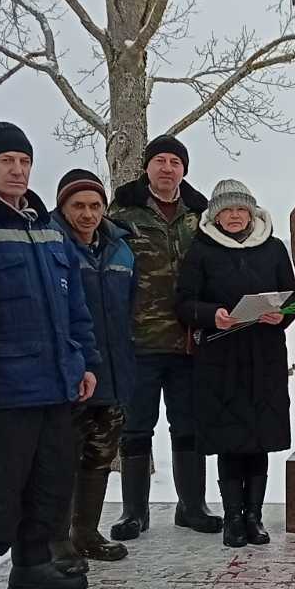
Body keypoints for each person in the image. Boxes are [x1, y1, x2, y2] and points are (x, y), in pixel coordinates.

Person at [0, 123, 99, 589]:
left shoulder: (47, 227)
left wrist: (83, 362)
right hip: (2, 387)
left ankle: (32, 565)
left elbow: (74, 305)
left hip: (58, 382)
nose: (17, 170)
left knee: (50, 482)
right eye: (6, 161)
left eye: (24, 161)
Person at [175, 179, 295, 548]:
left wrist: (283, 315)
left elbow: (292, 296)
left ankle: (254, 516)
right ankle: (232, 517)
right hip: (221, 358)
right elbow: (184, 303)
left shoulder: (274, 248)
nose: (234, 216)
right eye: (227, 210)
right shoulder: (201, 251)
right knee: (230, 440)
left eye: (241, 209)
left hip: (264, 356)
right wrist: (213, 314)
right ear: (215, 215)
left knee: (258, 440)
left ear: (252, 213)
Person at [107, 135, 214, 540]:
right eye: (160, 161)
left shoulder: (199, 217)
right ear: (147, 168)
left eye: (175, 162)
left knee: (188, 426)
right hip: (139, 342)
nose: (167, 168)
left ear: (184, 170)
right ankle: (135, 513)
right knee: (136, 429)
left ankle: (192, 506)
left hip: (188, 342)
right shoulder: (123, 213)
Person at [52, 168, 136, 570]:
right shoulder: (52, 243)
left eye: (95, 205)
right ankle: (58, 539)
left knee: (101, 457)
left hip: (114, 369)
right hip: (69, 372)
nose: (87, 214)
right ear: (63, 207)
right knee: (63, 459)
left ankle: (86, 531)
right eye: (78, 206)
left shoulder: (121, 249)